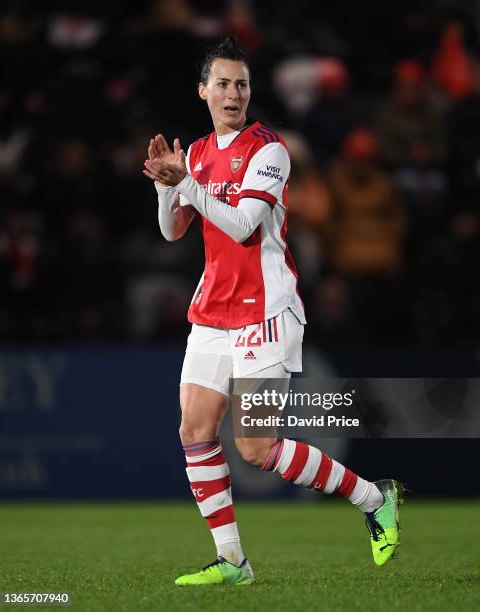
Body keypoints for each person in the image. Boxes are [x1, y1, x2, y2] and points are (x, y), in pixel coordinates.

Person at [143, 37, 404, 586]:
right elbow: (172, 233)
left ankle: (373, 498)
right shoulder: (194, 152)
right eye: (222, 84)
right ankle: (233, 562)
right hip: (213, 311)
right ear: (203, 91)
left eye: (241, 84)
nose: (233, 93)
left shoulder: (270, 150)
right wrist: (169, 188)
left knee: (257, 447)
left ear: (249, 91)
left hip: (267, 309)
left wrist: (186, 182)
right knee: (194, 429)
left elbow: (241, 226)